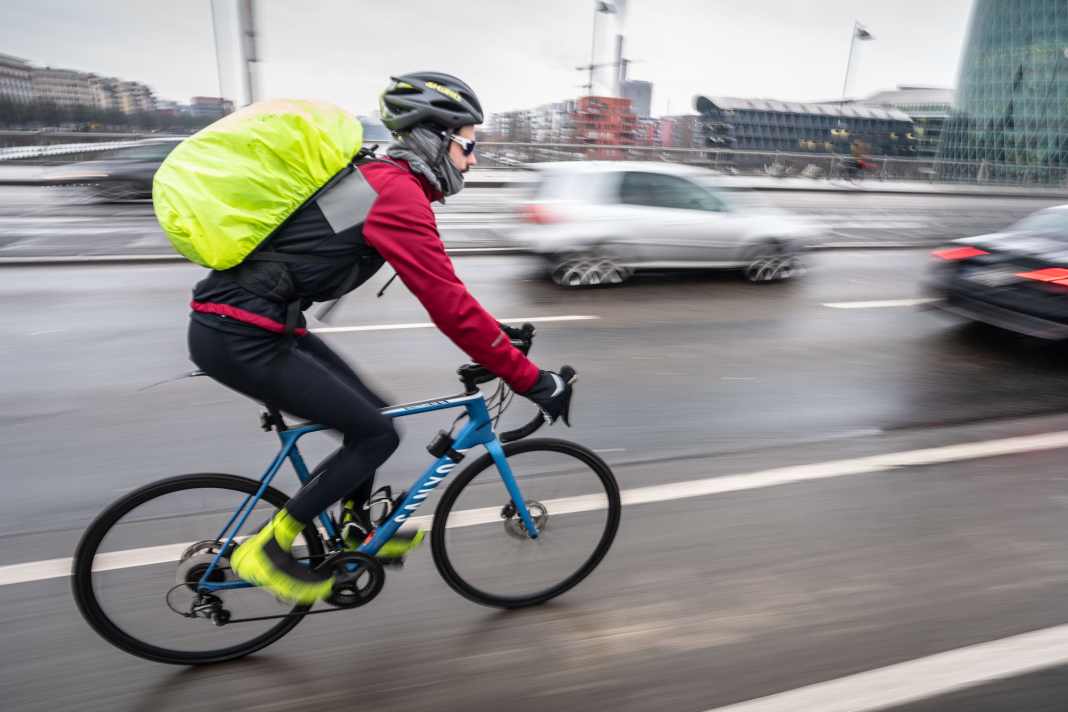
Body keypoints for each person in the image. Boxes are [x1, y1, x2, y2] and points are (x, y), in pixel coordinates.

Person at [186, 72, 575, 604]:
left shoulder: (380, 178)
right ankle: (267, 550)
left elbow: (447, 295)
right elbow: (448, 305)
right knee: (375, 435)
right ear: (435, 138)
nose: (474, 159)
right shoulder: (394, 194)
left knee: (375, 416)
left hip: (256, 324)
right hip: (240, 335)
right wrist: (530, 379)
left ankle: (353, 533)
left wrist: (497, 337)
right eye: (469, 144)